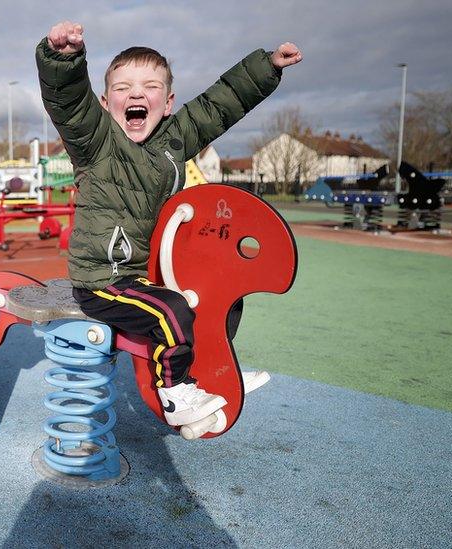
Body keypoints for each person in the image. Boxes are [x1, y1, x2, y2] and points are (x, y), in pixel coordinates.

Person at [37, 21, 302, 427]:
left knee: (220, 297)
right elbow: (69, 103)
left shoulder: (173, 141)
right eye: (123, 88)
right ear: (106, 103)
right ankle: (176, 393)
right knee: (171, 311)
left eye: (150, 86)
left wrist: (267, 67)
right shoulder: (97, 142)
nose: (137, 94)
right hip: (103, 281)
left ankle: (214, 369)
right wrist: (63, 59)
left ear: (169, 102)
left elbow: (219, 105)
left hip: (145, 274)